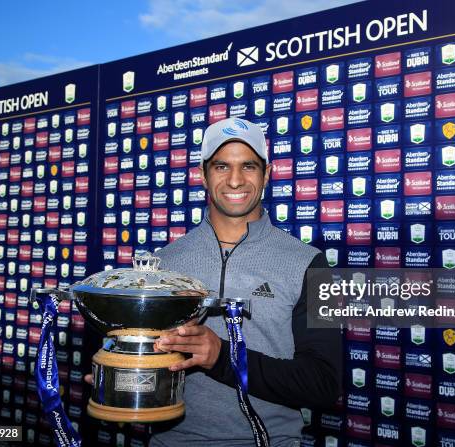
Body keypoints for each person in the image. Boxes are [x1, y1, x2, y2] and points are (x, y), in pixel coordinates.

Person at [86, 117, 342, 446]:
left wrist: (222, 356)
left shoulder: (311, 262)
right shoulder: (164, 263)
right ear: (202, 175)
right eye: (221, 167)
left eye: (248, 166)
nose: (235, 180)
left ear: (267, 173)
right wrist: (123, 370)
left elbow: (324, 383)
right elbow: (153, 356)